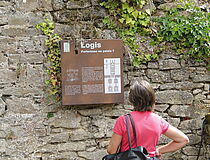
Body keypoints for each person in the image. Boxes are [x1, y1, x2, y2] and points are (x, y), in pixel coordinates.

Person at [107, 80, 189, 159]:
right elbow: (183, 139)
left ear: (131, 100)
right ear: (152, 99)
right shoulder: (158, 120)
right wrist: (159, 150)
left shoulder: (124, 120)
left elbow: (111, 150)